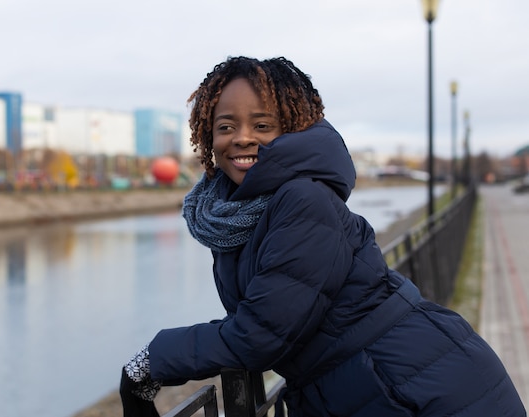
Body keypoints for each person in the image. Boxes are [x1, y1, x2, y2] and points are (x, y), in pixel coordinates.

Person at [120, 56, 526, 417]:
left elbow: (260, 335)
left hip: (417, 386)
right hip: (374, 381)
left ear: (293, 129)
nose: (242, 137)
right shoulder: (239, 212)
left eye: (262, 125)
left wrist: (153, 358)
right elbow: (267, 312)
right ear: (208, 136)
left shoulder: (302, 200)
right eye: (226, 126)